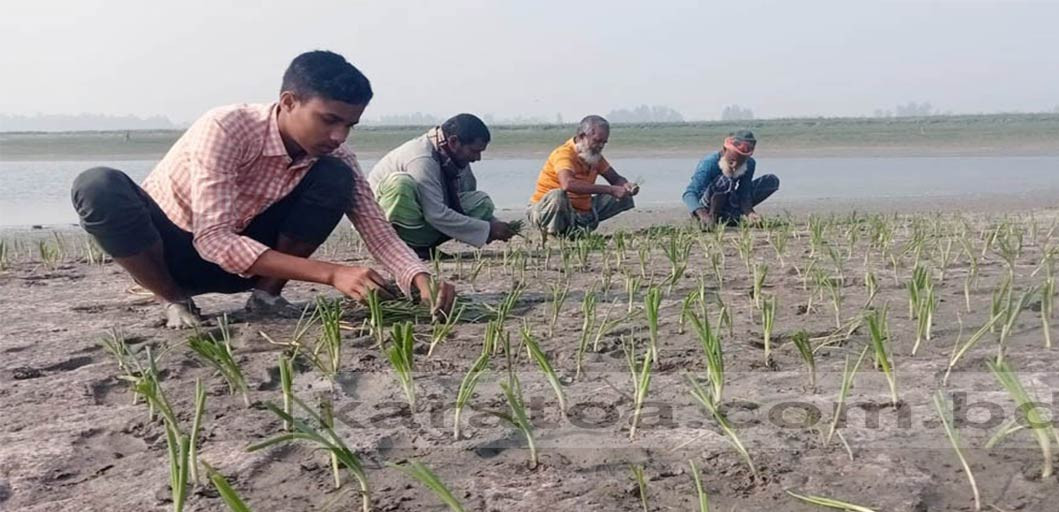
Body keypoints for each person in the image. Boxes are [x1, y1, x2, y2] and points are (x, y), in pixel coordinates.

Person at [70, 50, 455, 329]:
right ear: (289, 102)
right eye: (329, 120)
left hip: (255, 264)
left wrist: (421, 280)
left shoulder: (335, 154)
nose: (339, 135)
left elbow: (379, 232)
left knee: (335, 175)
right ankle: (175, 302)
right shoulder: (225, 127)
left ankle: (267, 297)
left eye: (350, 125)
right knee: (98, 186)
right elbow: (214, 241)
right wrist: (333, 273)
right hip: (173, 255)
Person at [368, 113, 517, 259]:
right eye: (474, 151)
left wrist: (495, 224)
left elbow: (463, 202)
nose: (477, 158)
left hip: (423, 218)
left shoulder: (455, 158)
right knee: (400, 184)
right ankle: (398, 247)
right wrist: (488, 229)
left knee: (481, 202)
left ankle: (421, 246)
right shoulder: (422, 158)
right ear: (453, 142)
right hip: (381, 225)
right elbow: (435, 214)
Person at [528, 115, 638, 237]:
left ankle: (577, 228)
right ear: (582, 136)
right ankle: (552, 233)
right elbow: (567, 184)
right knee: (557, 195)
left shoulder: (594, 156)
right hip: (547, 211)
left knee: (623, 195)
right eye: (596, 141)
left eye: (604, 142)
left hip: (579, 213)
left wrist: (626, 186)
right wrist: (610, 189)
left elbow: (615, 178)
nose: (600, 146)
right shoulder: (564, 154)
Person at [682, 130, 779, 230]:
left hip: (730, 202)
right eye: (732, 161)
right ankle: (712, 219)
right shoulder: (709, 163)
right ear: (724, 150)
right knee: (725, 180)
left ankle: (730, 216)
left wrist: (749, 213)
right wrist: (702, 214)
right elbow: (689, 194)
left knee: (771, 181)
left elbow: (744, 192)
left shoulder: (750, 164)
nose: (735, 166)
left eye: (741, 162)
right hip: (707, 207)